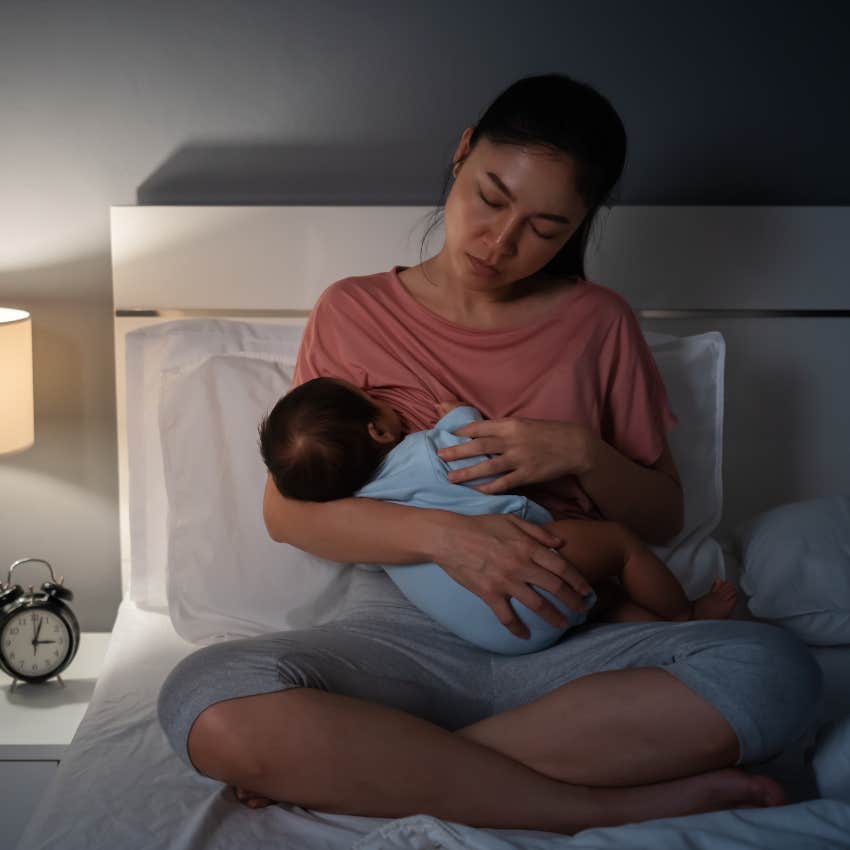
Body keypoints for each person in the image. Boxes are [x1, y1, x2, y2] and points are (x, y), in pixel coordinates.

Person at [157, 73, 821, 833]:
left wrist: (578, 451)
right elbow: (289, 512)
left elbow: (665, 516)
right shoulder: (355, 310)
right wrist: (452, 540)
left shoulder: (599, 323)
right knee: (202, 697)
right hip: (399, 635)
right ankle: (603, 804)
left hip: (577, 633)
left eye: (545, 228)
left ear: (580, 225)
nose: (499, 243)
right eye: (492, 198)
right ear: (463, 151)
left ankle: (379, 767)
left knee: (775, 672)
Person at [257, 376, 739, 655]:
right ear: (379, 430)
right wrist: (455, 412)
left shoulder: (359, 512)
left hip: (489, 631)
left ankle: (660, 643)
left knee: (600, 604)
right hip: (528, 572)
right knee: (618, 546)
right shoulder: (423, 454)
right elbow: (474, 440)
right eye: (374, 400)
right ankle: (684, 617)